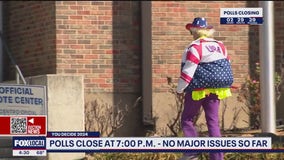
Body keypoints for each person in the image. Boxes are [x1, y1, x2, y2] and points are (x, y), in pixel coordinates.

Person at [176, 17, 234, 160]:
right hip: (216, 89)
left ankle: (192, 153)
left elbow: (188, 71)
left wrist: (179, 89)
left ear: (194, 31)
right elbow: (227, 63)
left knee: (187, 119)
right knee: (213, 122)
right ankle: (217, 157)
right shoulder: (220, 45)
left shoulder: (194, 47)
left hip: (197, 89)